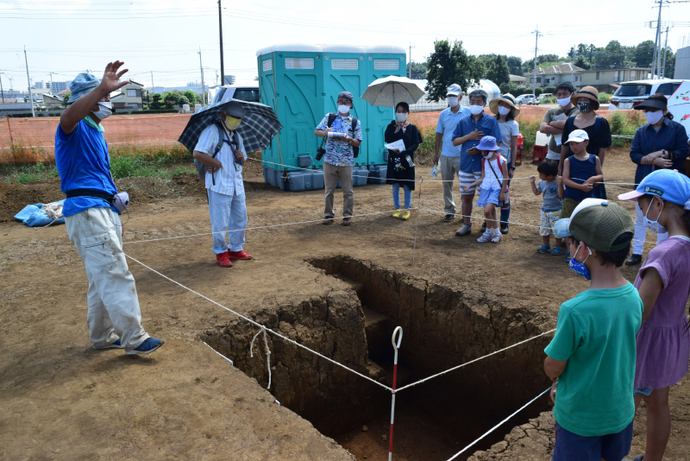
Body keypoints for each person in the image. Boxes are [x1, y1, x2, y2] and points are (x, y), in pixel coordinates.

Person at [55, 63, 164, 355]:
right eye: (103, 97)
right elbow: (67, 115)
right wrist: (100, 88)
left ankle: (102, 336)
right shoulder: (73, 126)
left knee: (100, 278)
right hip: (88, 210)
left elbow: (99, 174)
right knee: (115, 272)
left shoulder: (95, 130)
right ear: (87, 99)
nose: (107, 101)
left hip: (100, 209)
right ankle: (134, 338)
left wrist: (114, 206)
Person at [544, 198, 641, 461]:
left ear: (585, 249)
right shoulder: (635, 296)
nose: (568, 246)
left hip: (580, 420)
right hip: (620, 414)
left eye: (571, 242)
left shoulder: (575, 310)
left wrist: (555, 381)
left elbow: (554, 366)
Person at [618, 170, 690, 461]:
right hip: (672, 336)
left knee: (624, 406)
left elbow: (641, 310)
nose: (640, 208)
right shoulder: (685, 246)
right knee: (659, 403)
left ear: (658, 204)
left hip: (646, 343)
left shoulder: (664, 253)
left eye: (642, 202)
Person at [624, 93, 689, 266]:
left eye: (653, 109)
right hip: (644, 179)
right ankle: (637, 252)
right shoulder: (641, 131)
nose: (649, 113)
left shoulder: (677, 129)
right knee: (640, 217)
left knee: (665, 217)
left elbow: (683, 151)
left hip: (668, 183)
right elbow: (634, 154)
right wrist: (654, 159)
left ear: (664, 111)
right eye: (647, 110)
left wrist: (664, 153)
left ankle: (662, 252)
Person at [192, 100, 252, 268]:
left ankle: (236, 248)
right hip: (218, 184)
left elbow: (243, 159)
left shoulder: (237, 136)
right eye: (234, 117)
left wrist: (241, 156)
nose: (237, 121)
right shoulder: (212, 131)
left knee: (240, 218)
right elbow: (198, 153)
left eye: (239, 118)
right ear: (223, 115)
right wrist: (215, 163)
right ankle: (220, 251)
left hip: (236, 184)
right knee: (220, 222)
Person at [452, 89, 502, 236]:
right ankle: (466, 224)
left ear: (484, 104)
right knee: (466, 196)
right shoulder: (463, 121)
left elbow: (497, 142)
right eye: (472, 101)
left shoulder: (491, 121)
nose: (475, 104)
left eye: (478, 102)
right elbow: (455, 141)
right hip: (466, 166)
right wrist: (469, 136)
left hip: (484, 168)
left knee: (487, 198)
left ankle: (490, 226)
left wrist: (481, 151)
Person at [315, 91, 363, 226]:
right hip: (329, 160)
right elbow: (317, 131)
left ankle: (347, 215)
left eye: (346, 102)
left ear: (351, 105)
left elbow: (358, 142)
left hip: (346, 161)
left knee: (348, 190)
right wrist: (326, 132)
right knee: (329, 190)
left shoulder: (355, 122)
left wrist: (348, 139)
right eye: (341, 101)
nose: (343, 104)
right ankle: (328, 215)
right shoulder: (329, 117)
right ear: (337, 103)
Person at [559, 85, 611, 199]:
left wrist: (598, 174)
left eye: (585, 100)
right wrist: (560, 167)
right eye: (580, 100)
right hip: (571, 167)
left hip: (589, 168)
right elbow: (565, 146)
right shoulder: (570, 121)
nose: (582, 102)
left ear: (592, 103)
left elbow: (602, 149)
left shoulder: (601, 122)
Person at [433, 84, 470, 222]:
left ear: (460, 97)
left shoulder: (468, 112)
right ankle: (449, 210)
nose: (451, 98)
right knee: (447, 184)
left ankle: (465, 211)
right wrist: (436, 154)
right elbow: (439, 134)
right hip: (446, 155)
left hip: (463, 155)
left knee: (464, 185)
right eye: (449, 96)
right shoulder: (443, 114)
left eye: (454, 96)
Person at [461, 136, 508, 243]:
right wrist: (470, 185)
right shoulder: (484, 161)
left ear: (491, 150)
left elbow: (505, 177)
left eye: (484, 151)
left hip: (496, 188)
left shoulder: (501, 160)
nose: (482, 153)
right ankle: (496, 233)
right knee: (491, 212)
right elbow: (482, 177)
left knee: (487, 211)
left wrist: (502, 192)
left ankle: (489, 232)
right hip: (486, 188)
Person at [385, 102, 423, 220]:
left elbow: (416, 143)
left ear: (408, 113)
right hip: (395, 158)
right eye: (398, 111)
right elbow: (387, 140)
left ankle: (407, 209)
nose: (400, 113)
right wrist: (392, 128)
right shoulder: (392, 127)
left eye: (403, 111)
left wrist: (406, 151)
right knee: (395, 185)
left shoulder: (412, 128)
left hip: (408, 159)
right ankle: (396, 208)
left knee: (408, 185)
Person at [490, 94, 520, 234]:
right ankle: (488, 220)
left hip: (505, 162)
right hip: (490, 161)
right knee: (490, 191)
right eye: (502, 104)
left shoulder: (513, 124)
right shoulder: (490, 121)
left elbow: (513, 147)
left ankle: (504, 222)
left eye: (507, 105)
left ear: (511, 109)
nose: (504, 107)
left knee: (504, 192)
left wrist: (512, 166)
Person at [561, 129, 603, 219]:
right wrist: (581, 187)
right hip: (570, 197)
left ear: (586, 143)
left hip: (588, 198)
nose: (574, 146)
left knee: (585, 221)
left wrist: (593, 178)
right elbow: (565, 180)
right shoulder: (568, 160)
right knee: (567, 221)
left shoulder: (595, 159)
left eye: (577, 143)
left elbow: (600, 175)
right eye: (571, 144)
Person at [539, 82, 579, 167]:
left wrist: (552, 123)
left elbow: (567, 124)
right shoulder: (551, 111)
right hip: (553, 151)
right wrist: (565, 130)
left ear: (572, 94)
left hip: (572, 151)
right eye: (559, 95)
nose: (561, 97)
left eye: (565, 94)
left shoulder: (577, 111)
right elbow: (543, 128)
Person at [530, 162, 563, 255]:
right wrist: (532, 183)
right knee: (544, 229)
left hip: (556, 211)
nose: (539, 175)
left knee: (557, 230)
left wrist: (560, 184)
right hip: (544, 210)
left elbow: (561, 195)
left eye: (541, 174)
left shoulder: (557, 183)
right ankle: (546, 245)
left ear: (550, 176)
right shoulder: (542, 182)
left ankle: (558, 246)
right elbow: (537, 192)